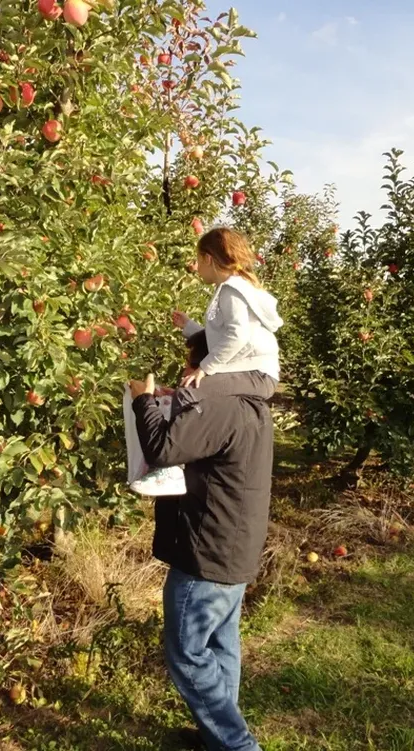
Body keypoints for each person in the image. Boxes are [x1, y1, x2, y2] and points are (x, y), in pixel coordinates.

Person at [129, 331, 274, 751]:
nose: (189, 374)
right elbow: (201, 440)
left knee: (187, 652)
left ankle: (237, 745)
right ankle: (217, 738)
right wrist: (181, 402)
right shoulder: (247, 403)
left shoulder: (223, 408)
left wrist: (144, 400)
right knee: (220, 644)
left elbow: (161, 447)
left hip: (208, 552)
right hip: (233, 546)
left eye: (193, 367)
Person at [129, 227, 282, 496]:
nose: (197, 267)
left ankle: (170, 470)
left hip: (257, 374)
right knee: (187, 392)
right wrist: (189, 327)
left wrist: (205, 368)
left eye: (198, 261)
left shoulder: (231, 290)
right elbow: (221, 335)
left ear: (209, 258)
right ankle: (173, 464)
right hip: (253, 370)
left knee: (191, 391)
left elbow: (237, 335)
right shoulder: (233, 288)